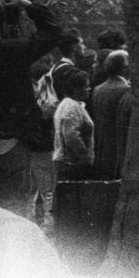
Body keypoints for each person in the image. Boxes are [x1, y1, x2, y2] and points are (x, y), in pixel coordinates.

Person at [0, 0, 63, 219]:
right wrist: (28, 6)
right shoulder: (12, 51)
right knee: (14, 210)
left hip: (11, 135)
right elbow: (52, 33)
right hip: (11, 137)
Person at [48, 67, 94, 230]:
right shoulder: (71, 107)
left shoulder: (69, 105)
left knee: (68, 202)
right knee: (71, 203)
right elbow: (71, 136)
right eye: (86, 86)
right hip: (71, 163)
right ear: (75, 89)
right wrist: (85, 156)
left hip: (66, 161)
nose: (89, 89)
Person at [87, 50, 132, 180]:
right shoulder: (125, 90)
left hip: (102, 149)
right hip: (118, 151)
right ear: (124, 68)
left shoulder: (98, 89)